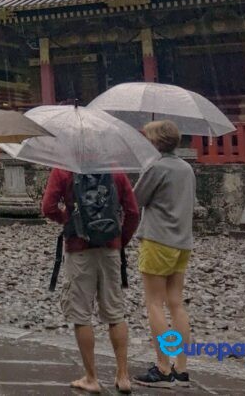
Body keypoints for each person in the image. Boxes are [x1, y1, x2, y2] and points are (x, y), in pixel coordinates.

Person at [42, 162, 139, 394]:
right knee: (115, 312)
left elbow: (48, 207)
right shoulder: (115, 170)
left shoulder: (63, 169)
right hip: (110, 248)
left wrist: (69, 219)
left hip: (79, 248)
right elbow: (133, 212)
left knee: (81, 313)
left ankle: (92, 377)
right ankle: (123, 375)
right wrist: (119, 239)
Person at [133, 120, 196, 389]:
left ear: (155, 142)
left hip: (158, 239)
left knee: (154, 303)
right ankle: (181, 369)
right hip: (182, 241)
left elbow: (136, 199)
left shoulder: (156, 167)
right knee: (176, 303)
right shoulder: (186, 168)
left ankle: (162, 366)